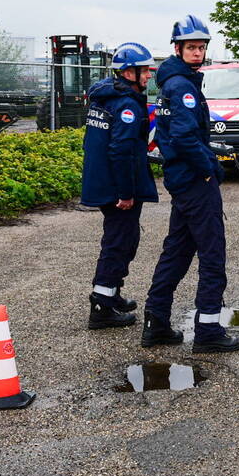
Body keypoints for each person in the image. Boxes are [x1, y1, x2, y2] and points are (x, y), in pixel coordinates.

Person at [142, 14, 239, 353]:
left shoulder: (174, 81)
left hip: (181, 180)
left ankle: (156, 323)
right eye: (191, 47)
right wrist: (209, 168)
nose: (197, 53)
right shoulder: (182, 87)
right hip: (194, 181)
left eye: (201, 47)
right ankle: (209, 331)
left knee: (178, 251)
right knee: (213, 254)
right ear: (178, 48)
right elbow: (185, 137)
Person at [81, 42, 159, 330]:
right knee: (119, 243)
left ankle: (112, 294)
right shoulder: (126, 104)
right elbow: (121, 151)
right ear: (129, 73)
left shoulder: (105, 96)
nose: (149, 76)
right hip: (117, 186)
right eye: (145, 71)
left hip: (101, 180)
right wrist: (126, 193)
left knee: (124, 239)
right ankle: (102, 307)